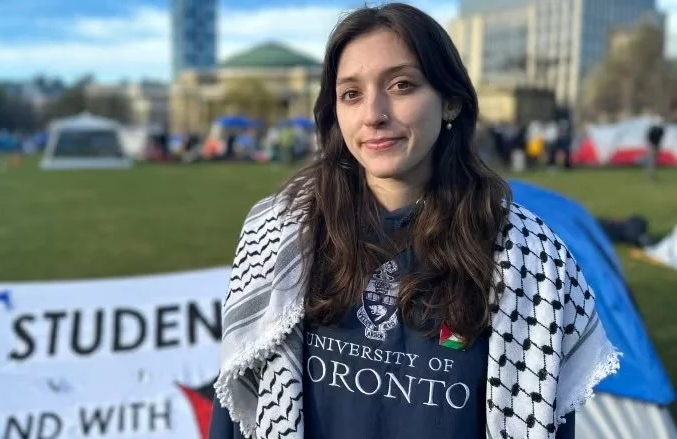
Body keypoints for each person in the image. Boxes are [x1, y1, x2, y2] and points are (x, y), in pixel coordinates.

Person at [210, 4, 619, 439]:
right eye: (351, 93)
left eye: (401, 85)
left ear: (451, 101)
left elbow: (544, 424)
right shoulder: (280, 234)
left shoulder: (531, 260)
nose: (373, 114)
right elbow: (238, 413)